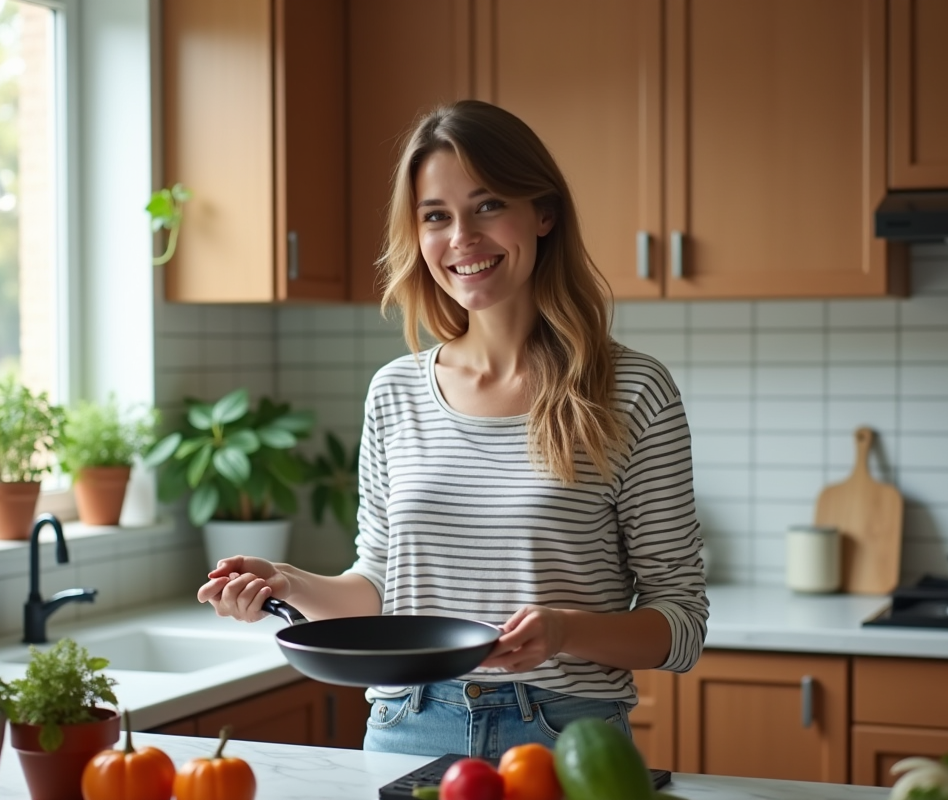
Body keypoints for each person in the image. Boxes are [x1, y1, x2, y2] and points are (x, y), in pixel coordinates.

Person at [198, 99, 708, 760]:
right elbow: (380, 588)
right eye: (436, 216)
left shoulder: (630, 391)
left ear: (544, 213)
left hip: (564, 737)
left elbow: (680, 623)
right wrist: (287, 582)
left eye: (488, 205)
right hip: (408, 727)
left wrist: (563, 631)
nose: (462, 237)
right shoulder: (396, 392)